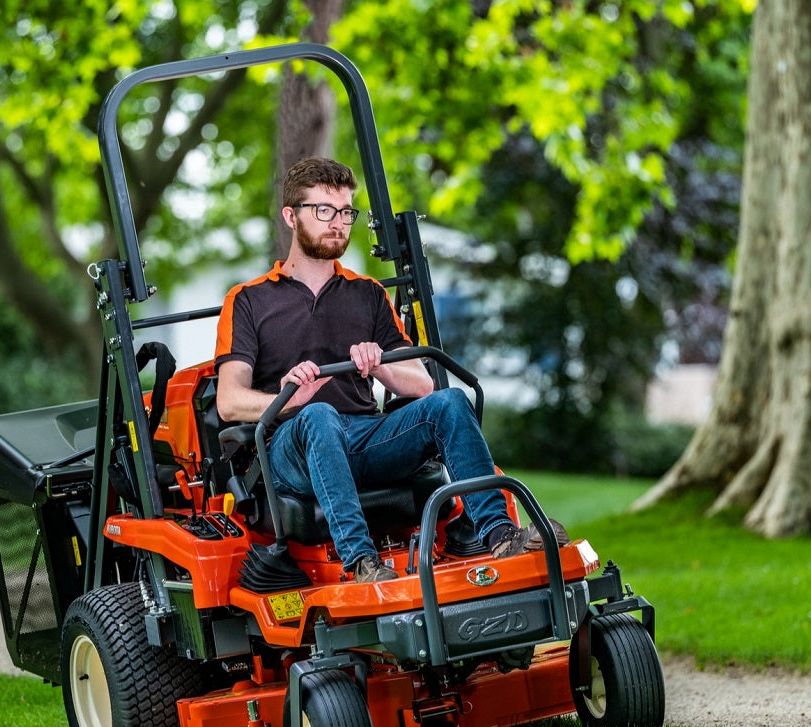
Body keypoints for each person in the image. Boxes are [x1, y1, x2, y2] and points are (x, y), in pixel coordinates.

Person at [214, 157, 567, 583]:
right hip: (289, 449)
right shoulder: (249, 300)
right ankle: (362, 563)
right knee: (318, 415)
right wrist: (288, 397)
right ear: (291, 216)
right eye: (324, 211)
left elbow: (422, 383)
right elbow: (230, 401)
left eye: (346, 212)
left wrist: (381, 366)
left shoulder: (368, 294)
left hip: (364, 437)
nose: (338, 223)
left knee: (450, 401)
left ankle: (500, 535)